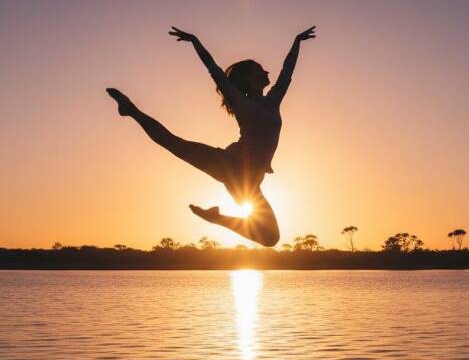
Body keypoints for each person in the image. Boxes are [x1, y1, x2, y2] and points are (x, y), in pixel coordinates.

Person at [106, 25, 316, 246]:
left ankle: (216, 218)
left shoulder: (273, 100)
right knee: (174, 143)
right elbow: (215, 70)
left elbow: (287, 71)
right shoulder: (240, 100)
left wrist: (296, 41)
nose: (267, 72)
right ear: (248, 78)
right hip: (230, 164)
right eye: (260, 69)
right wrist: (195, 41)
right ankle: (131, 110)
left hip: (250, 182)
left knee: (271, 238)